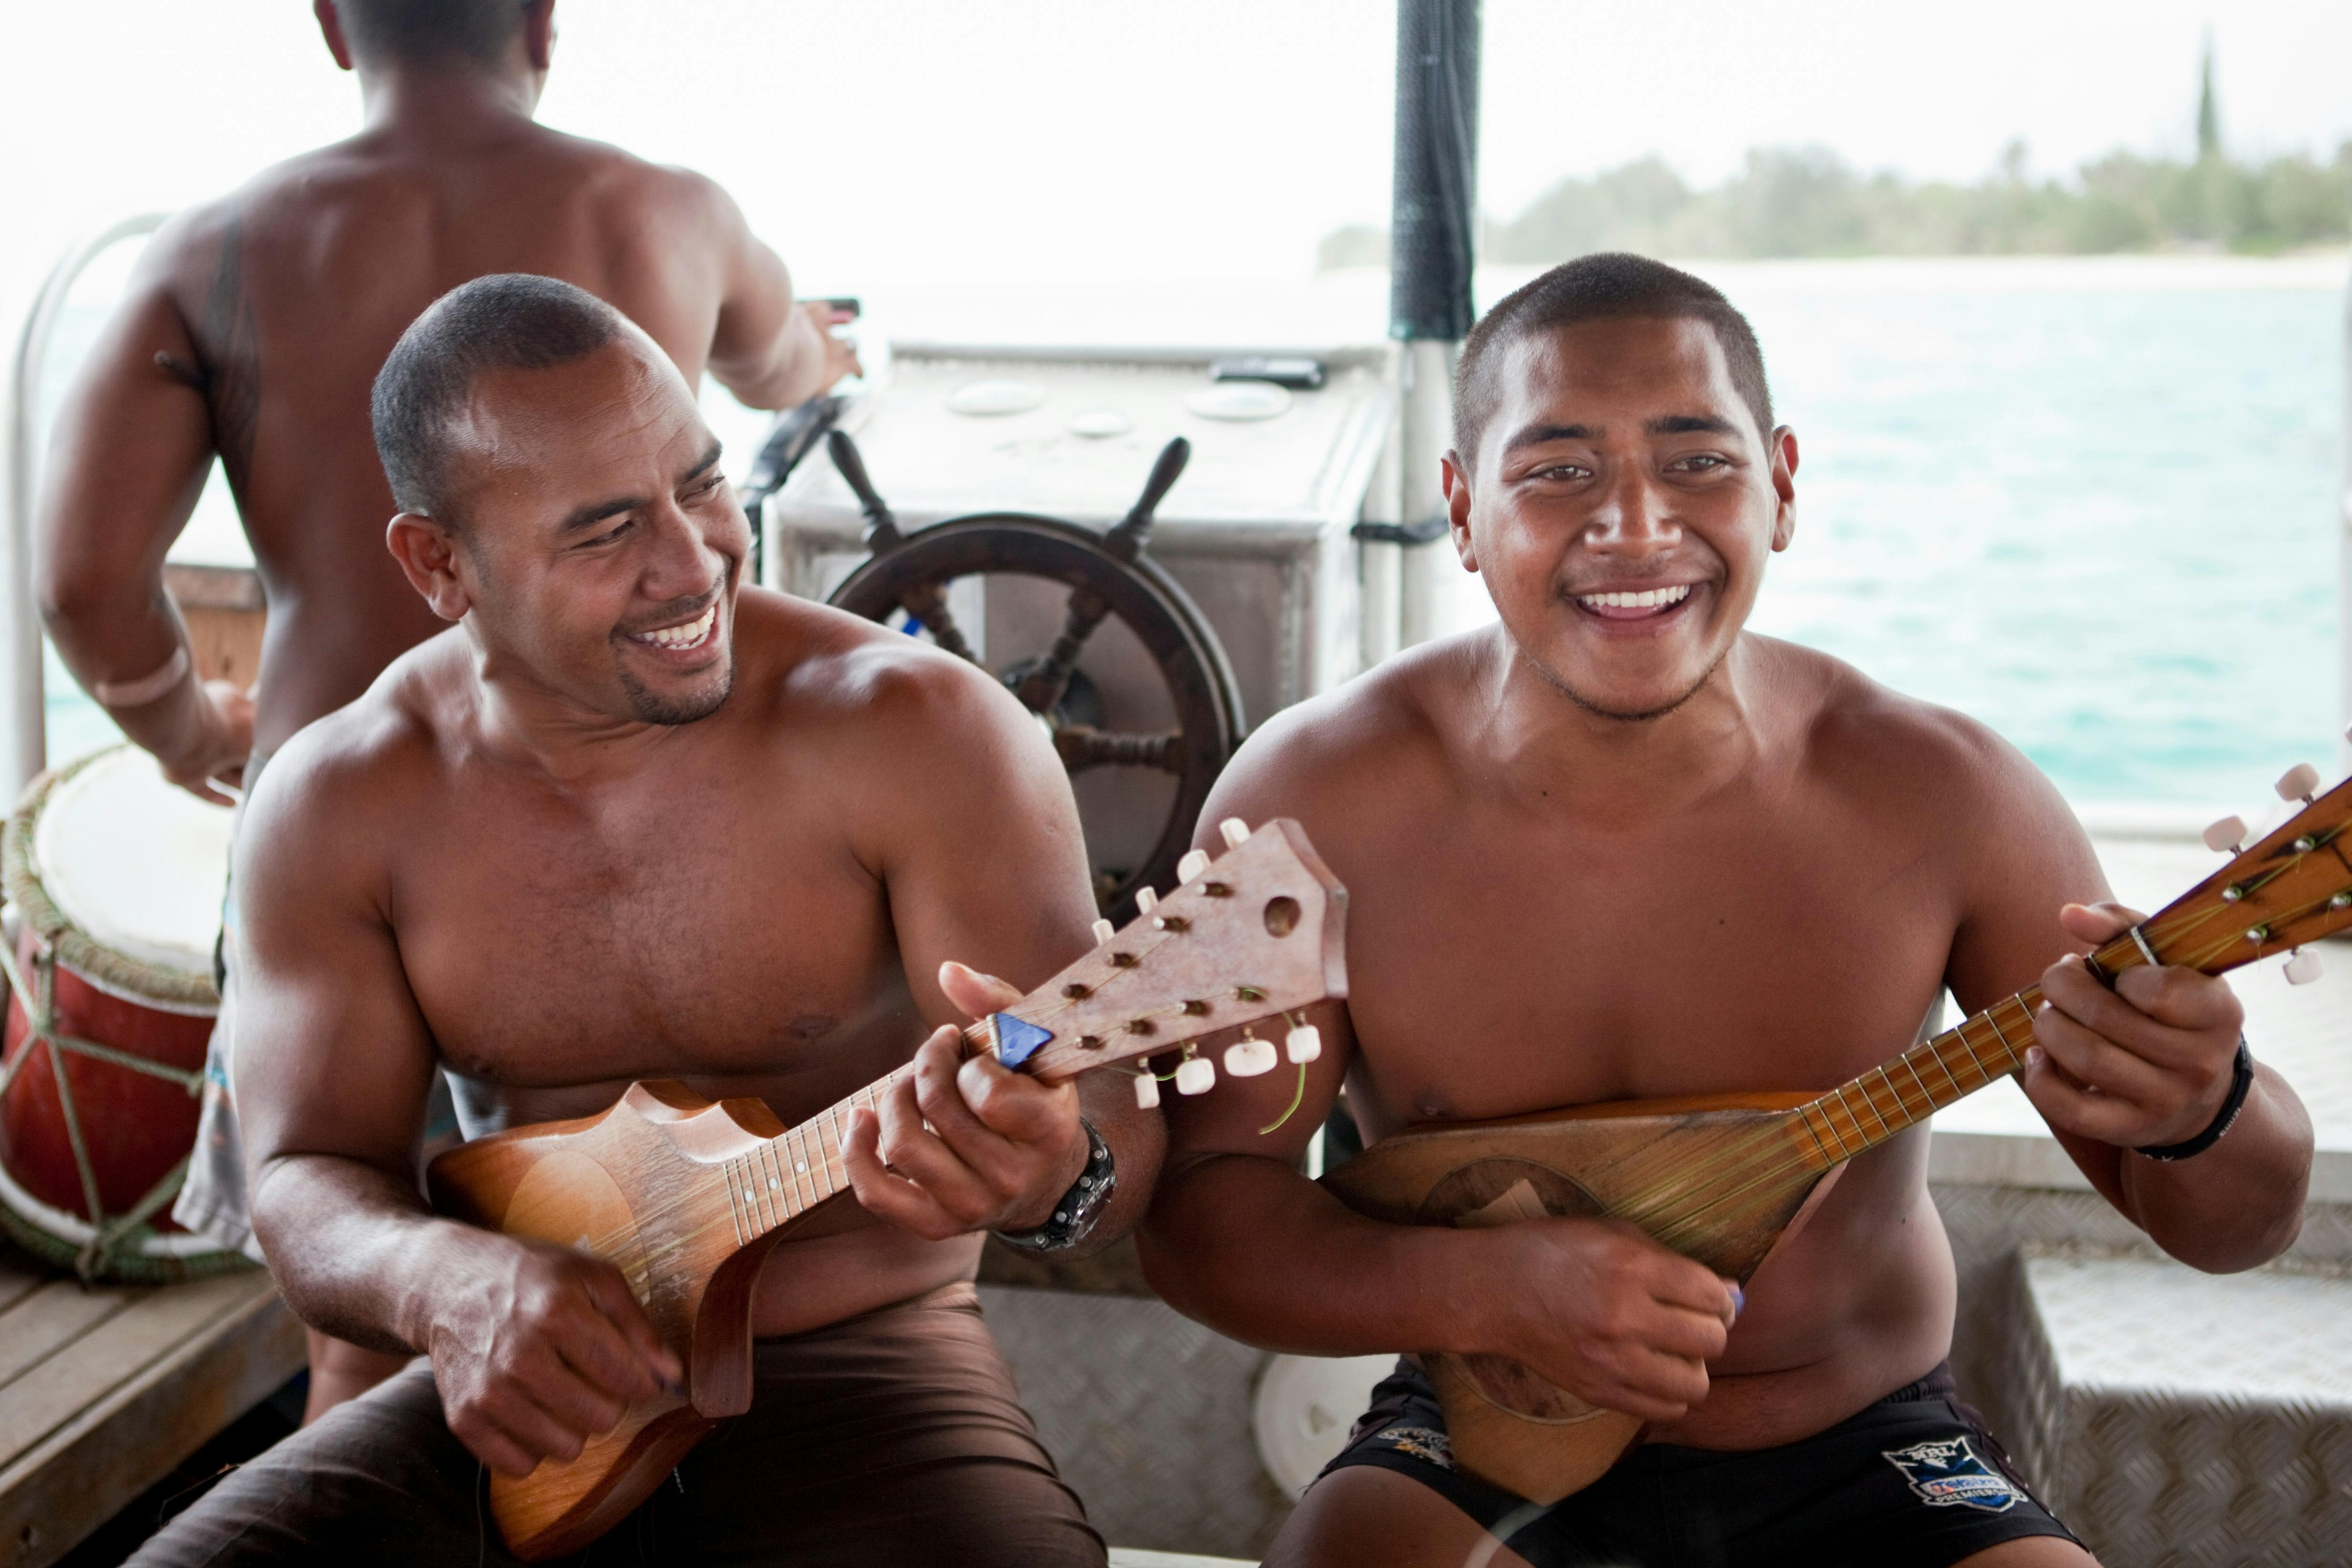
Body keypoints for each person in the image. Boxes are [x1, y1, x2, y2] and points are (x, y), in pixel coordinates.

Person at [1137, 253, 2315, 1568]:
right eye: (1558, 470)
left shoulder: (1941, 793)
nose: (1634, 525)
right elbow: (1204, 1210)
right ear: (1464, 509)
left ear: (1784, 485)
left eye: (1697, 459)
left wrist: (2206, 1102)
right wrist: (1481, 1288)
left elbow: (2232, 1227)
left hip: (1870, 1442)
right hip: (1471, 1428)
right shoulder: (1311, 803)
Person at [126, 274, 1148, 1567]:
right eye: (606, 532)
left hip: (861, 1368)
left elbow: (1119, 1129)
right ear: (440, 562)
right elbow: (299, 1180)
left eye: (703, 485)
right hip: (531, 1397)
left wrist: (1056, 1173)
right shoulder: (337, 802)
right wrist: (450, 1285)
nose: (693, 560)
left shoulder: (922, 732)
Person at [35, 0, 856, 1415]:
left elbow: (84, 580)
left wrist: (198, 736)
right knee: (656, 1272)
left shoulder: (209, 254)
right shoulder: (666, 209)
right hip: (603, 831)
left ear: (332, 24)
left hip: (338, 840)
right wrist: (827, 353)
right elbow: (791, 373)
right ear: (544, 18)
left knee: (365, 1329)